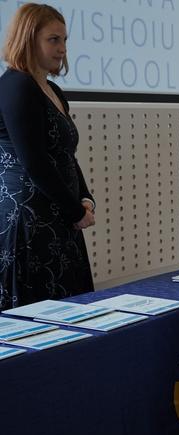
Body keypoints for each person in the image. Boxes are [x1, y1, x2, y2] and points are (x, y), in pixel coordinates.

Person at [0, 2, 96, 311]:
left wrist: (85, 198)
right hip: (30, 222)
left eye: (64, 40)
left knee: (71, 314)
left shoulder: (52, 89)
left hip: (58, 218)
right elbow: (35, 162)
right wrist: (75, 211)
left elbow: (66, 154)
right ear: (28, 39)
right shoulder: (16, 85)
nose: (62, 49)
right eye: (53, 39)